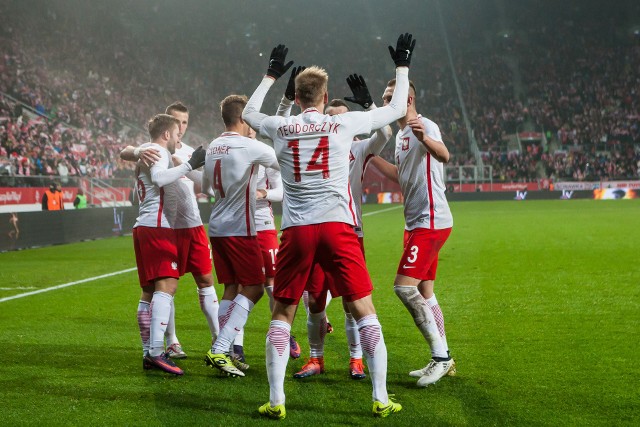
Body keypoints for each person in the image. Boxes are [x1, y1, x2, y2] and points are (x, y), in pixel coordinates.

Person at [242, 33, 415, 419]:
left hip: (298, 229)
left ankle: (276, 400)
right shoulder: (344, 125)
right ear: (325, 96)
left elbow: (249, 114)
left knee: (282, 314)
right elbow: (397, 108)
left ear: (298, 97)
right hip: (339, 227)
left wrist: (270, 76)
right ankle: (381, 397)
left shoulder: (282, 128)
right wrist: (401, 65)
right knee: (364, 310)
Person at [289, 75, 392, 382]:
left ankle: (356, 359)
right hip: (314, 226)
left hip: (350, 231)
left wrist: (369, 105)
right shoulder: (310, 143)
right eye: (330, 117)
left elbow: (384, 133)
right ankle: (316, 358)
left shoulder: (359, 148)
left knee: (352, 304)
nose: (335, 123)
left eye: (341, 119)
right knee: (315, 300)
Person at [369, 77, 455, 388]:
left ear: (407, 100)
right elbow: (401, 175)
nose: (384, 102)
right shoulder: (402, 135)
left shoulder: (423, 125)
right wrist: (372, 159)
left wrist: (425, 138)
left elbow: (444, 155)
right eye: (383, 97)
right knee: (424, 292)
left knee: (404, 288)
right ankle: (443, 356)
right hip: (416, 223)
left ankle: (441, 358)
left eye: (390, 96)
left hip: (431, 222)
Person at [121, 102, 220, 363]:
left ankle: (155, 350)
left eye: (185, 123)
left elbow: (205, 188)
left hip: (181, 224)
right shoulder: (157, 149)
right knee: (164, 287)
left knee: (163, 287)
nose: (182, 130)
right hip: (161, 226)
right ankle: (164, 345)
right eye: (178, 125)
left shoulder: (172, 149)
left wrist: (200, 169)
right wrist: (140, 150)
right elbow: (149, 169)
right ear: (169, 128)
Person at [201, 94, 279, 378]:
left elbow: (207, 187)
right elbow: (284, 162)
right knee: (256, 287)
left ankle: (228, 351)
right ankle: (221, 348)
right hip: (239, 229)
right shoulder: (250, 146)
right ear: (244, 118)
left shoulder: (212, 147)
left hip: (217, 227)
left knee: (231, 288)